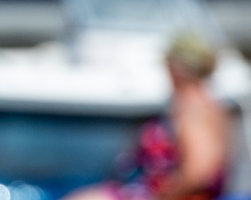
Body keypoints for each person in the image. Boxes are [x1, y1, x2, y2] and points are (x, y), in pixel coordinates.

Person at [64, 34, 229, 200]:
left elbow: (200, 169)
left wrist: (166, 194)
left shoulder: (192, 107)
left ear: (176, 68)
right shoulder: (208, 103)